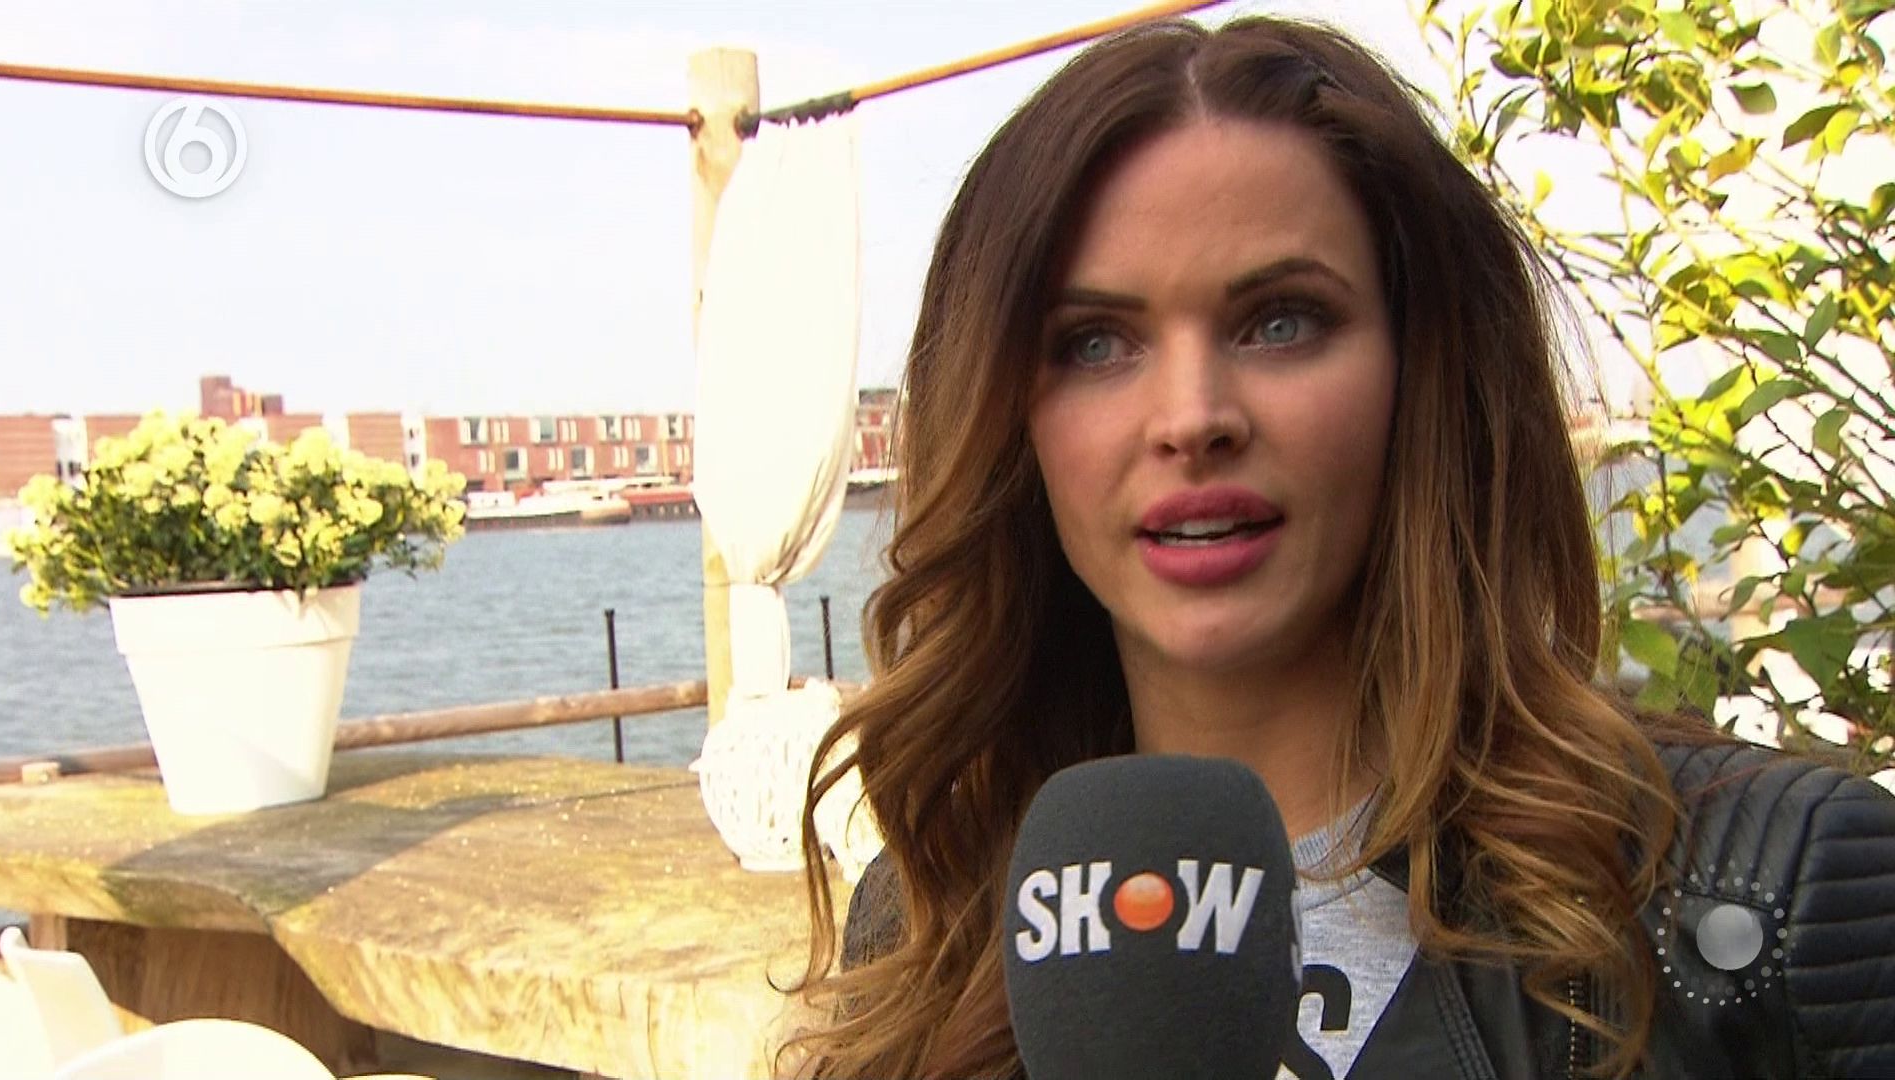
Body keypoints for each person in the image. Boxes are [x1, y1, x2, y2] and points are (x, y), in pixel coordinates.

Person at [783, 15, 1895, 1080]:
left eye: (1281, 322)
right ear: (1009, 421)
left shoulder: (1772, 893)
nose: (1192, 417)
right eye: (1094, 343)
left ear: (1423, 372)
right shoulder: (929, 919)